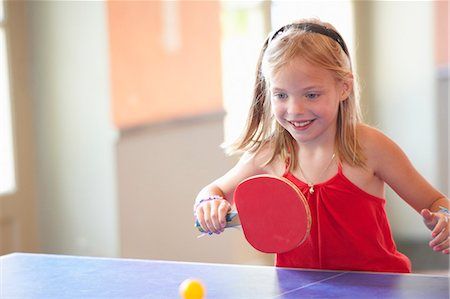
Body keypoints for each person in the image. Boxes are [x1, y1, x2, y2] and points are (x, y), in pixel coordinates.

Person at [193, 19, 449, 273]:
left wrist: (445, 219)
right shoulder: (269, 153)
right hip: (297, 289)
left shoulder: (371, 147)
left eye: (311, 94)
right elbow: (213, 191)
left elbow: (436, 201)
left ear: (344, 88)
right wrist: (208, 203)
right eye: (281, 95)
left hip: (377, 289)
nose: (295, 110)